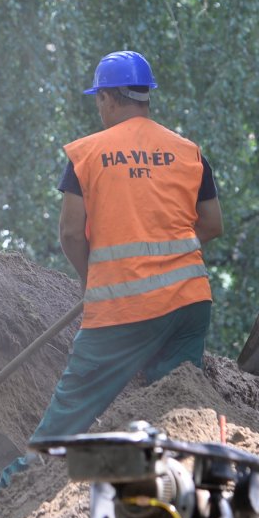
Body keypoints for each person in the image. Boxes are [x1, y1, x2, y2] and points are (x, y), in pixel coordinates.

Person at [26, 50, 224, 449]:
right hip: (190, 301)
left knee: (74, 403)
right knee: (178, 407)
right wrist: (170, 255)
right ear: (144, 97)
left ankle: (13, 488)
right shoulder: (187, 151)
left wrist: (92, 280)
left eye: (98, 99)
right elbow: (213, 224)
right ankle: (180, 488)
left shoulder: (88, 153)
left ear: (108, 98)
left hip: (125, 305)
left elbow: (70, 233)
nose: (98, 107)